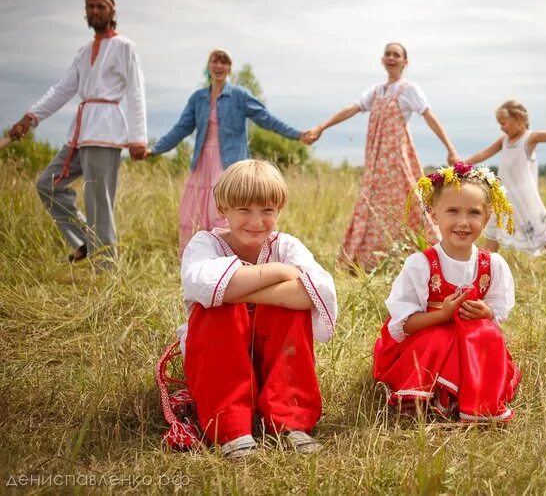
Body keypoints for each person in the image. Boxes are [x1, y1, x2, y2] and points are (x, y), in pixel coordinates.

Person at [179, 159, 337, 457]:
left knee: (287, 310)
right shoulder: (205, 244)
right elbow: (203, 286)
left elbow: (315, 292)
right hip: (219, 359)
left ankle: (289, 419)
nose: (256, 221)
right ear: (222, 210)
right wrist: (277, 272)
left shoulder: (286, 245)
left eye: (267, 210)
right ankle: (231, 427)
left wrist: (237, 290)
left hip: (273, 356)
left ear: (279, 210)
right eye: (244, 210)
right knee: (216, 308)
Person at [373, 162, 521, 422]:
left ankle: (476, 402)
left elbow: (497, 313)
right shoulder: (422, 265)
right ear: (433, 214)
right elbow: (404, 326)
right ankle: (425, 396)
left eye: (474, 213)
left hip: (469, 343)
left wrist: (486, 312)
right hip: (426, 336)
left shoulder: (492, 265)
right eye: (452, 211)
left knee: (488, 334)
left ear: (486, 218)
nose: (463, 222)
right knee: (440, 339)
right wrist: (443, 315)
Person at [8, 0, 147, 264]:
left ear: (112, 12)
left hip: (106, 130)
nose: (95, 12)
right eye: (90, 7)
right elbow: (62, 89)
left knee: (98, 200)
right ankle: (86, 240)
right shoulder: (83, 52)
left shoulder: (124, 47)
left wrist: (138, 138)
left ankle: (106, 266)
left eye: (100, 6)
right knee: (48, 184)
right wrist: (30, 118)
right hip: (80, 132)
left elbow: (136, 92)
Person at [303, 43, 460, 270]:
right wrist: (321, 126)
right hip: (376, 161)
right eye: (388, 54)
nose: (391, 58)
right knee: (373, 205)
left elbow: (429, 116)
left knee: (409, 201)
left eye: (396, 55)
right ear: (382, 60)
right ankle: (370, 261)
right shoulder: (376, 91)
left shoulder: (408, 89)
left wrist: (450, 148)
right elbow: (353, 108)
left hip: (397, 159)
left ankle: (429, 258)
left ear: (405, 62)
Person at [146, 49, 310, 253]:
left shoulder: (239, 95)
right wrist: (154, 150)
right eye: (215, 61)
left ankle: (231, 258)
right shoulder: (198, 98)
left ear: (229, 69)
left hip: (229, 162)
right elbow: (181, 129)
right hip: (202, 161)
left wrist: (298, 134)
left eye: (224, 62)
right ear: (208, 67)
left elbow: (266, 119)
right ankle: (196, 259)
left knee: (224, 210)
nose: (219, 66)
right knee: (193, 212)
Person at [464, 100, 546, 269]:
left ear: (518, 118)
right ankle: (483, 267)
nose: (502, 128)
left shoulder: (530, 138)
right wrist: (464, 163)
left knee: (540, 233)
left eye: (503, 123)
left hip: (523, 198)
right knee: (494, 232)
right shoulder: (504, 141)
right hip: (503, 195)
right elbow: (484, 153)